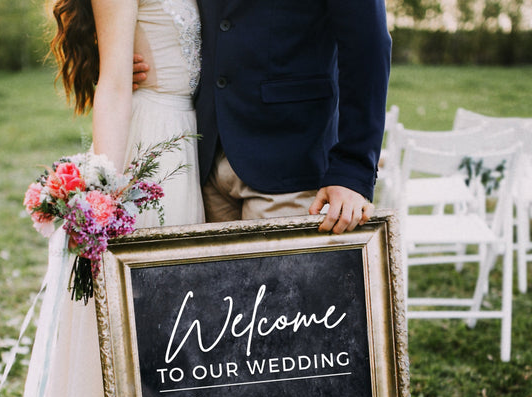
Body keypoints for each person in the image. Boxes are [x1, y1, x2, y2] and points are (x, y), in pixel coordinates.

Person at [0, 0, 204, 397]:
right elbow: (112, 86)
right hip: (148, 147)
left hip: (186, 143)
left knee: (179, 338)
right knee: (138, 328)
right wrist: (107, 191)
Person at [135, 1, 391, 233]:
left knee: (279, 284)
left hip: (290, 159)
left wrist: (353, 169)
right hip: (204, 158)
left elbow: (368, 42)